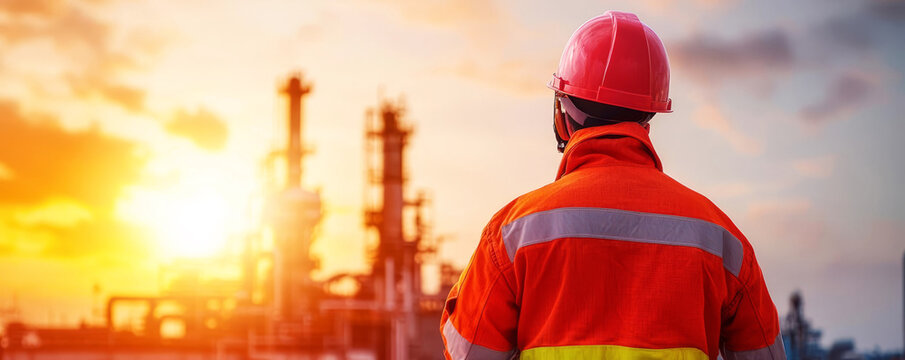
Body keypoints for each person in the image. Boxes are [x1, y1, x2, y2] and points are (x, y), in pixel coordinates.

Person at [440, 10, 785, 360]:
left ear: (563, 115)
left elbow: (465, 351)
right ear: (649, 117)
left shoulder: (513, 234)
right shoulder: (721, 239)